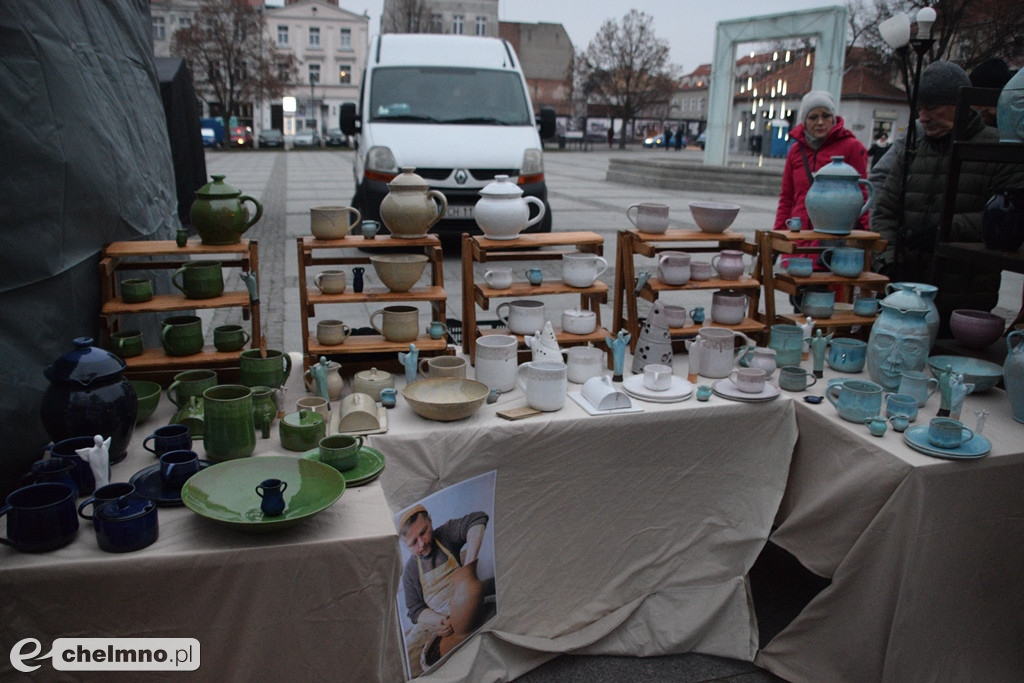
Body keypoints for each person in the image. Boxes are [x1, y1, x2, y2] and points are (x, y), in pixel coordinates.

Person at [871, 60, 1024, 328]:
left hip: (965, 300)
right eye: (920, 109)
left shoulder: (995, 151)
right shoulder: (911, 151)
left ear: (960, 104)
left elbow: (1010, 219)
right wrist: (888, 264)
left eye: (931, 108)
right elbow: (885, 212)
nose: (923, 117)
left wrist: (944, 231)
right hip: (907, 295)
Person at [400, 505, 489, 676]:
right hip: (437, 617)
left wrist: (468, 570)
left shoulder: (445, 535)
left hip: (464, 603)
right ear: (406, 546)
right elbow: (415, 610)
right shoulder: (411, 570)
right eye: (413, 543)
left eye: (423, 532)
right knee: (406, 660)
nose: (422, 543)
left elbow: (477, 519)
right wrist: (438, 620)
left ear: (430, 522)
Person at [773, 90, 870, 234]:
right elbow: (787, 197)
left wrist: (864, 235)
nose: (820, 122)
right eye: (813, 117)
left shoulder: (852, 147)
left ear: (833, 118)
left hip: (833, 236)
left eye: (826, 116)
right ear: (804, 121)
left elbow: (861, 195)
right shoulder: (796, 151)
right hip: (799, 234)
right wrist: (778, 235)